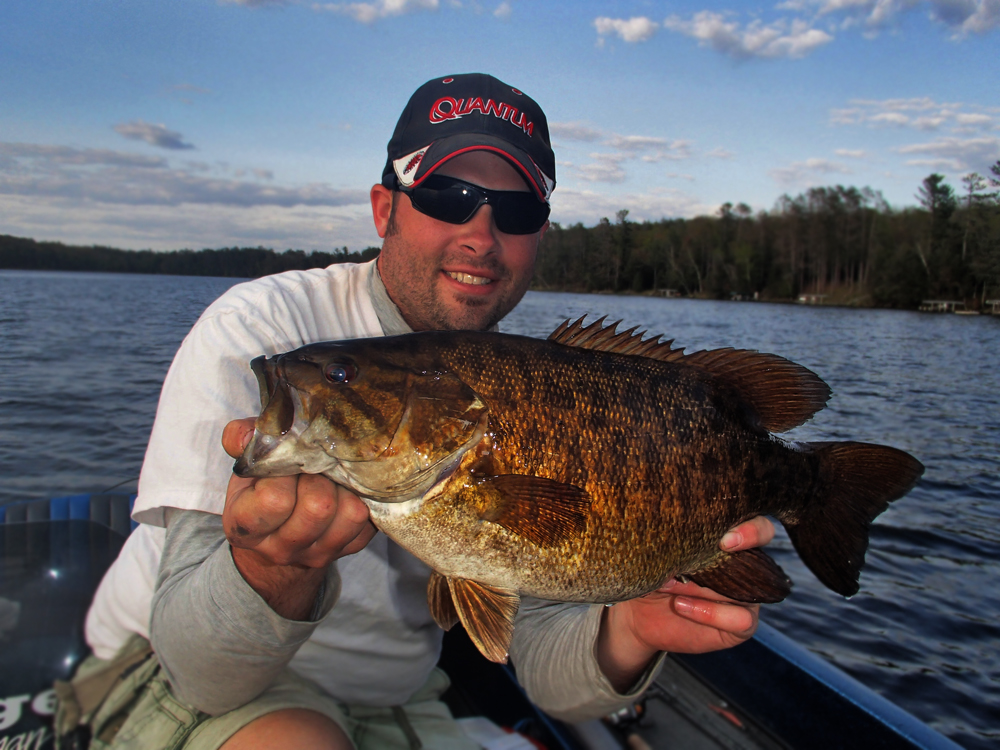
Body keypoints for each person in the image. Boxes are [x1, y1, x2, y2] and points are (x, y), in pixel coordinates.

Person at [63, 73, 774, 750]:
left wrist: (631, 626)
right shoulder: (263, 331)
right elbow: (202, 677)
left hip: (396, 702)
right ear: (385, 209)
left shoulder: (531, 385)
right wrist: (274, 568)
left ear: (539, 238)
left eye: (518, 210)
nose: (480, 234)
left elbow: (544, 672)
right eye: (447, 194)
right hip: (170, 673)